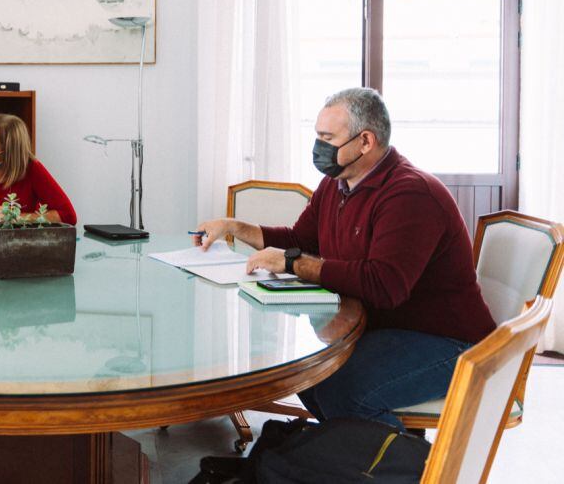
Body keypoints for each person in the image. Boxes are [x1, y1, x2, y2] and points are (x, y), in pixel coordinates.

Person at [193, 87, 495, 429]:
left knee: (344, 391)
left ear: (365, 141)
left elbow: (383, 286)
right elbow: (299, 241)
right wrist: (233, 227)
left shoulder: (410, 194)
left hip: (451, 344)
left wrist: (293, 263)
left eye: (327, 137)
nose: (318, 148)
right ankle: (349, 455)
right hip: (388, 329)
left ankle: (402, 468)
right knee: (307, 375)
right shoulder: (336, 183)